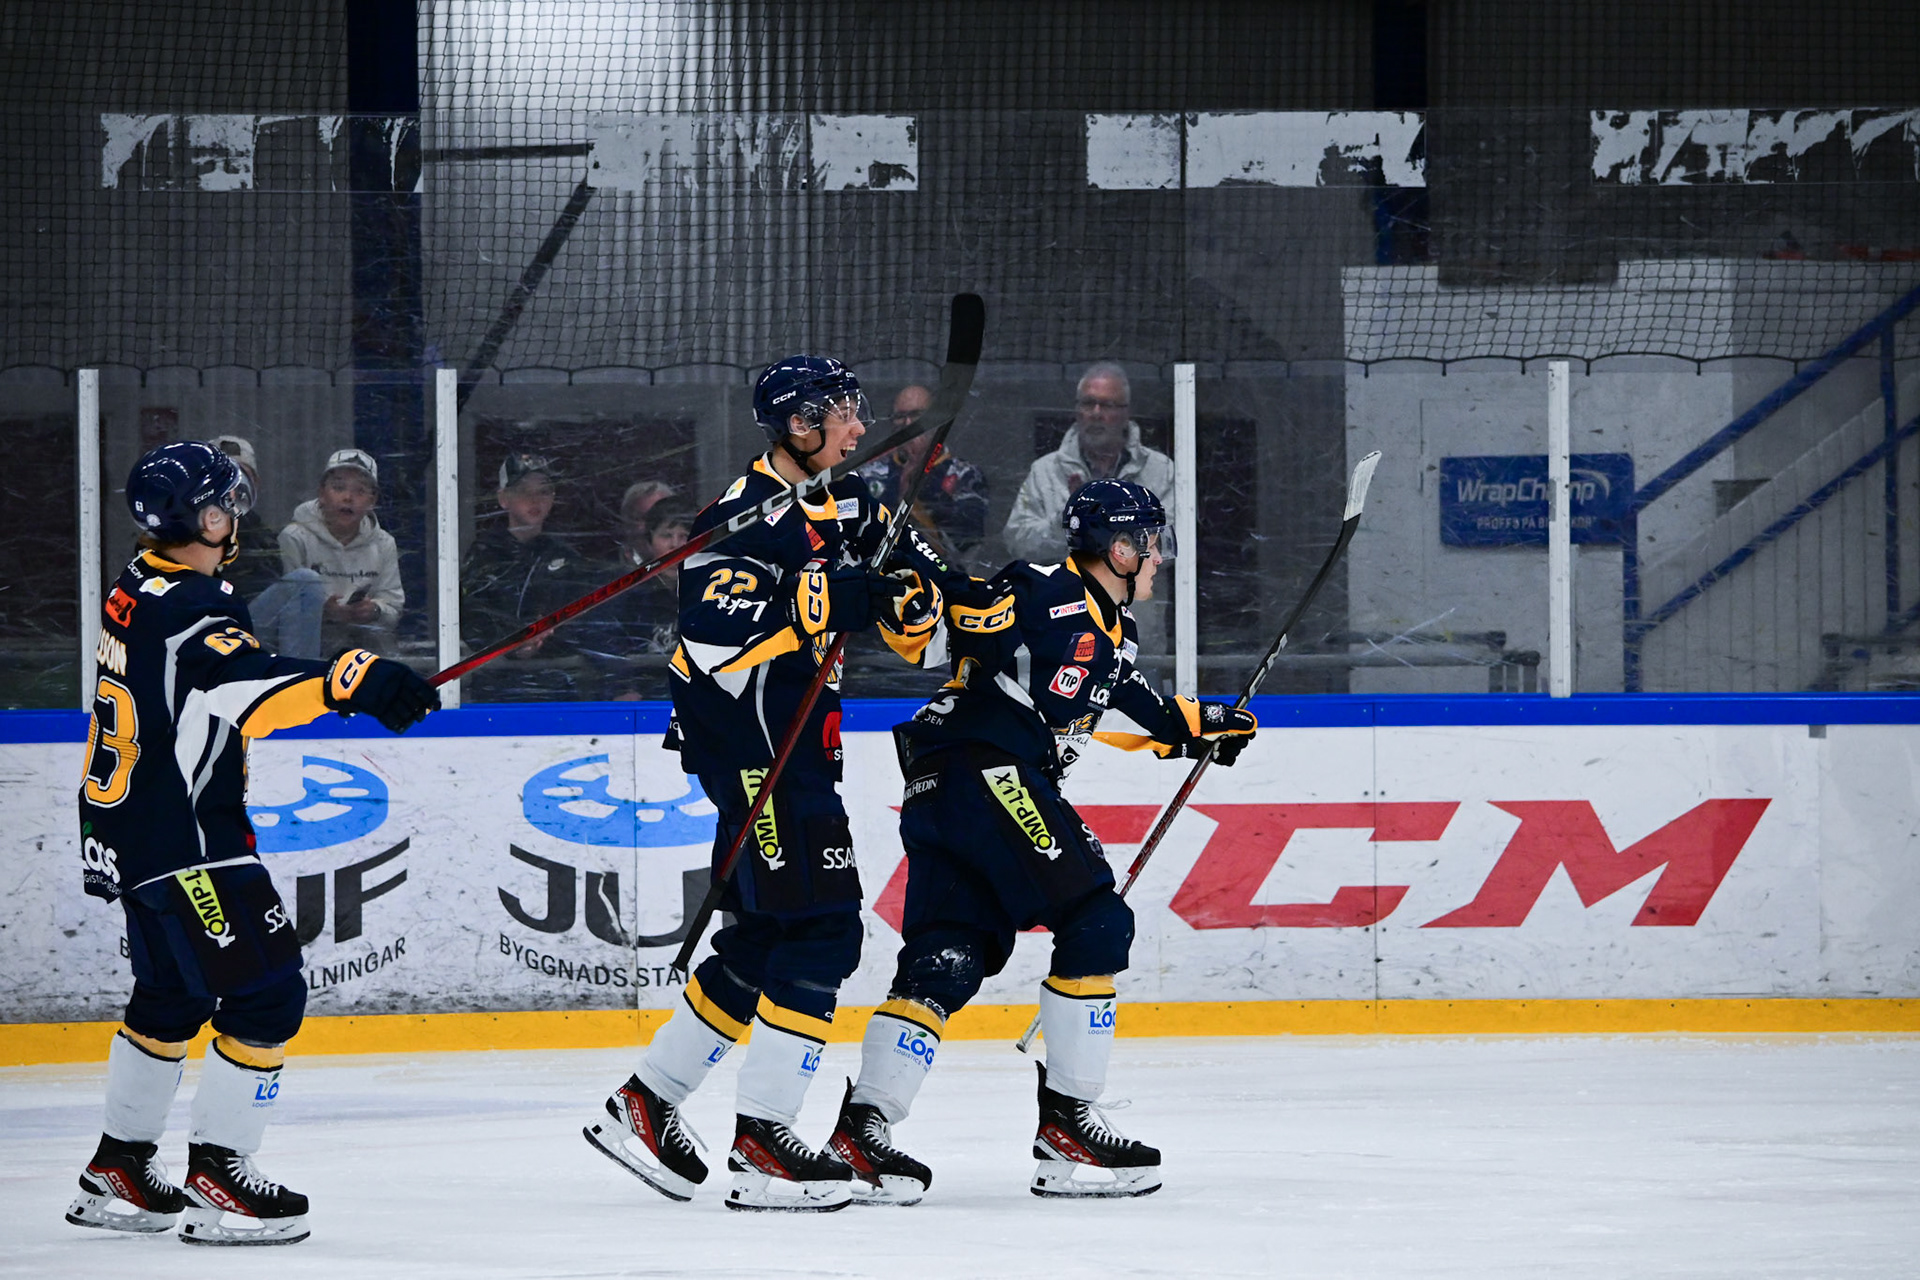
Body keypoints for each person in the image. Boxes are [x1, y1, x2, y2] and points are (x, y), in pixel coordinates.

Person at [582, 355, 956, 1212]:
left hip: (800, 746)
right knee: (823, 930)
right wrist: (819, 600)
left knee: (760, 937)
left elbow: (921, 623)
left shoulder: (856, 503)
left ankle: (645, 1103)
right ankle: (763, 1141)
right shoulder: (737, 517)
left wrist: (913, 604)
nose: (860, 426)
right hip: (755, 753)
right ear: (798, 424)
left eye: (860, 410)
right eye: (843, 412)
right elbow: (715, 641)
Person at [826, 479, 1256, 1204]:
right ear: (1119, 549)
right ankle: (1068, 1123)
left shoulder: (1113, 630)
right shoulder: (1042, 589)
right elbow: (958, 620)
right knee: (1096, 919)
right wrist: (906, 557)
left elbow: (1142, 707)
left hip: (942, 789)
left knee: (948, 958)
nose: (1158, 557)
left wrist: (1203, 725)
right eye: (1149, 543)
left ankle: (862, 1128)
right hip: (987, 771)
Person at [67, 441, 439, 1246]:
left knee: (172, 998)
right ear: (202, 519)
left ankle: (120, 1165)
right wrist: (351, 680)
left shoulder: (138, 584)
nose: (236, 515)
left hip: (129, 829)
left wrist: (337, 678)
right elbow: (249, 693)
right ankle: (221, 1175)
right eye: (226, 503)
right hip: (190, 840)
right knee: (268, 994)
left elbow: (217, 679)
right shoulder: (192, 604)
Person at [1001, 364, 1175, 564]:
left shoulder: (1160, 470)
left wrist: (1119, 521)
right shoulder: (1045, 471)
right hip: (1067, 585)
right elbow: (1017, 543)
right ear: (1076, 410)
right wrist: (1067, 522)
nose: (1096, 413)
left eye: (1107, 405)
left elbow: (1174, 544)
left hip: (1135, 585)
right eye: (1088, 403)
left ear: (1126, 413)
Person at [460, 452, 592, 700]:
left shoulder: (566, 556)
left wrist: (549, 637)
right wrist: (512, 641)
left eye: (544, 491)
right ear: (503, 498)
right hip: (497, 689)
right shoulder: (484, 554)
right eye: (523, 491)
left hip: (558, 687)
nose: (535, 500)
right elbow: (471, 618)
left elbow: (587, 620)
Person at [278, 448, 403, 657]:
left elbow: (394, 608)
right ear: (322, 493)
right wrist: (323, 612)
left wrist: (374, 610)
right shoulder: (294, 538)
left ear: (372, 501)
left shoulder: (384, 544)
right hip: (311, 645)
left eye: (360, 491)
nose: (348, 497)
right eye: (338, 488)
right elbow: (285, 610)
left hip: (365, 644)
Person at [210, 434, 324, 658]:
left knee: (304, 585)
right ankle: (297, 676)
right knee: (304, 582)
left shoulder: (261, 532)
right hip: (212, 633)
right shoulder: (187, 528)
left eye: (242, 476)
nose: (235, 485)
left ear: (256, 484)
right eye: (224, 476)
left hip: (252, 631)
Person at [858, 384, 989, 569]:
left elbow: (967, 537)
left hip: (944, 575)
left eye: (916, 415)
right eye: (900, 416)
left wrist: (922, 486)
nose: (907, 424)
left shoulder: (964, 474)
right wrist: (900, 490)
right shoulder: (870, 474)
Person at [576, 500, 694, 700]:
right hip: (643, 704)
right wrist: (622, 687)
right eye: (666, 536)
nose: (676, 545)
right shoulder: (626, 591)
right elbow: (597, 637)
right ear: (649, 541)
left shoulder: (712, 591)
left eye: (685, 536)